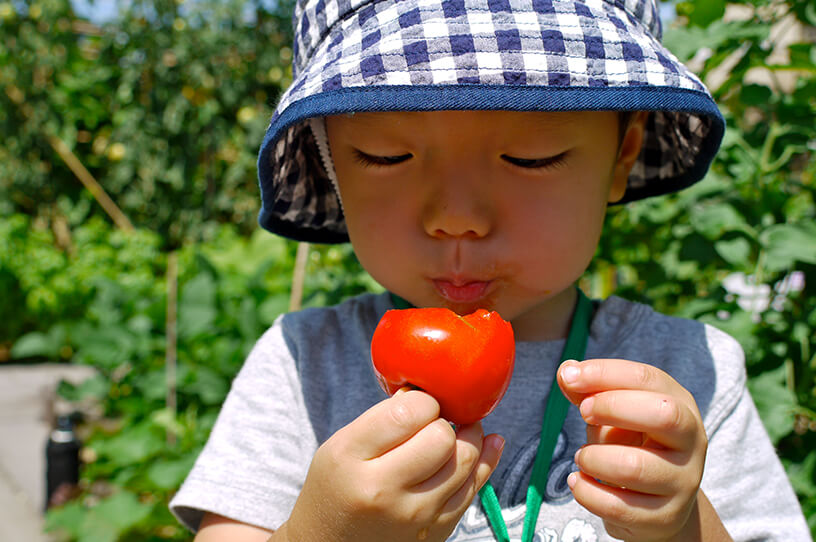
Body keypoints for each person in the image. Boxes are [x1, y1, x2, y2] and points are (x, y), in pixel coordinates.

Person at [170, 0, 812, 540]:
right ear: (331, 161)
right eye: (386, 156)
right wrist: (320, 531)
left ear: (624, 154)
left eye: (531, 158)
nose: (457, 218)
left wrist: (684, 524)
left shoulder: (691, 375)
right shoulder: (301, 368)